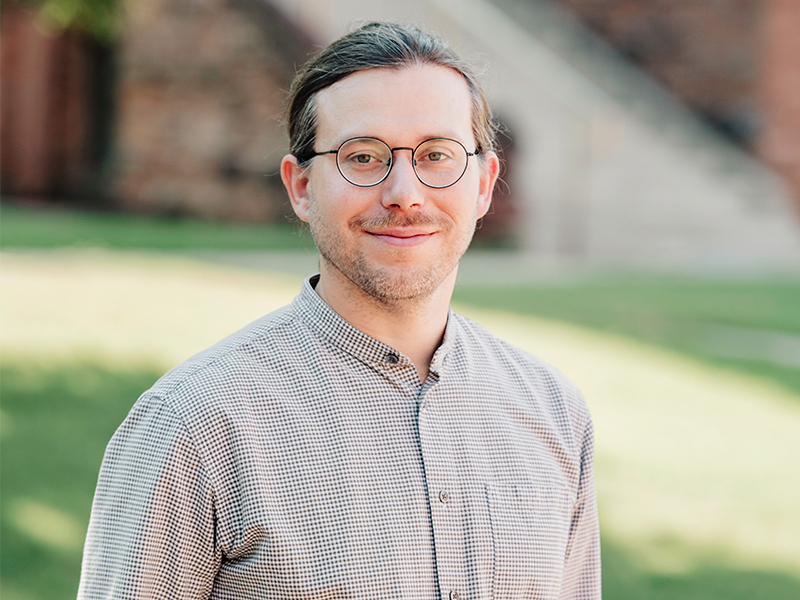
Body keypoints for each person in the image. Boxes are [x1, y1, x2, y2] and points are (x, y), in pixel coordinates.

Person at [78, 22, 600, 600]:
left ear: (482, 185)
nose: (404, 192)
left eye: (437, 155)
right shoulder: (195, 424)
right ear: (301, 187)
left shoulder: (554, 414)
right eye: (363, 156)